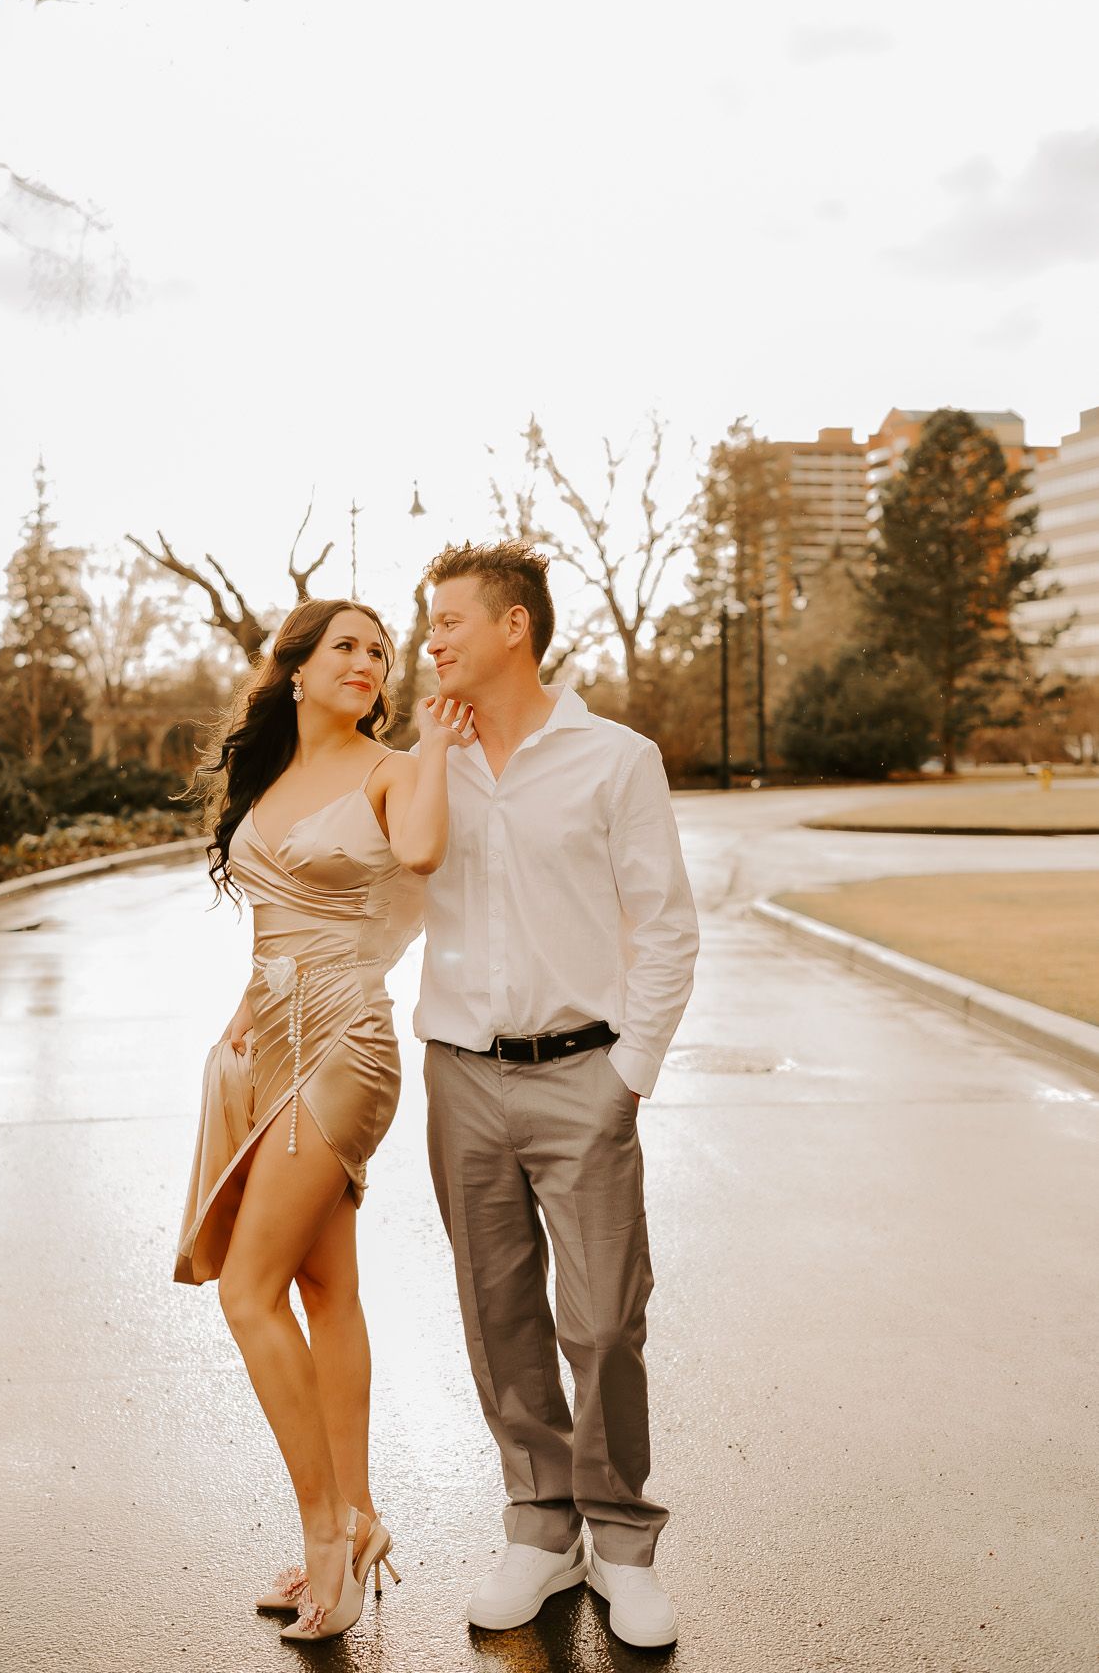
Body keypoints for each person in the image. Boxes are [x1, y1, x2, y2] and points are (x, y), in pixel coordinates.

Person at [416, 540, 700, 1651]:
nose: (429, 639)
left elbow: (667, 924)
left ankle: (622, 1539)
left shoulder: (615, 758)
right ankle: (539, 1528)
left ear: (512, 628)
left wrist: (628, 1071)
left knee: (601, 1320)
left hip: (585, 1071)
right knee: (501, 1316)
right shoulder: (423, 755)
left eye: (445, 620)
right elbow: (374, 899)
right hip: (461, 1075)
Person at [173, 597, 473, 1642]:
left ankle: (324, 1542)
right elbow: (269, 928)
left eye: (380, 650)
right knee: (321, 1284)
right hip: (273, 1046)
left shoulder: (391, 767)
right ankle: (360, 1510)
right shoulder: (267, 779)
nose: (369, 659)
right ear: (293, 667)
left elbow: (425, 851)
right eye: (346, 644)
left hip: (348, 1041)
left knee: (249, 1291)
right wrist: (238, 1029)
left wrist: (433, 740)